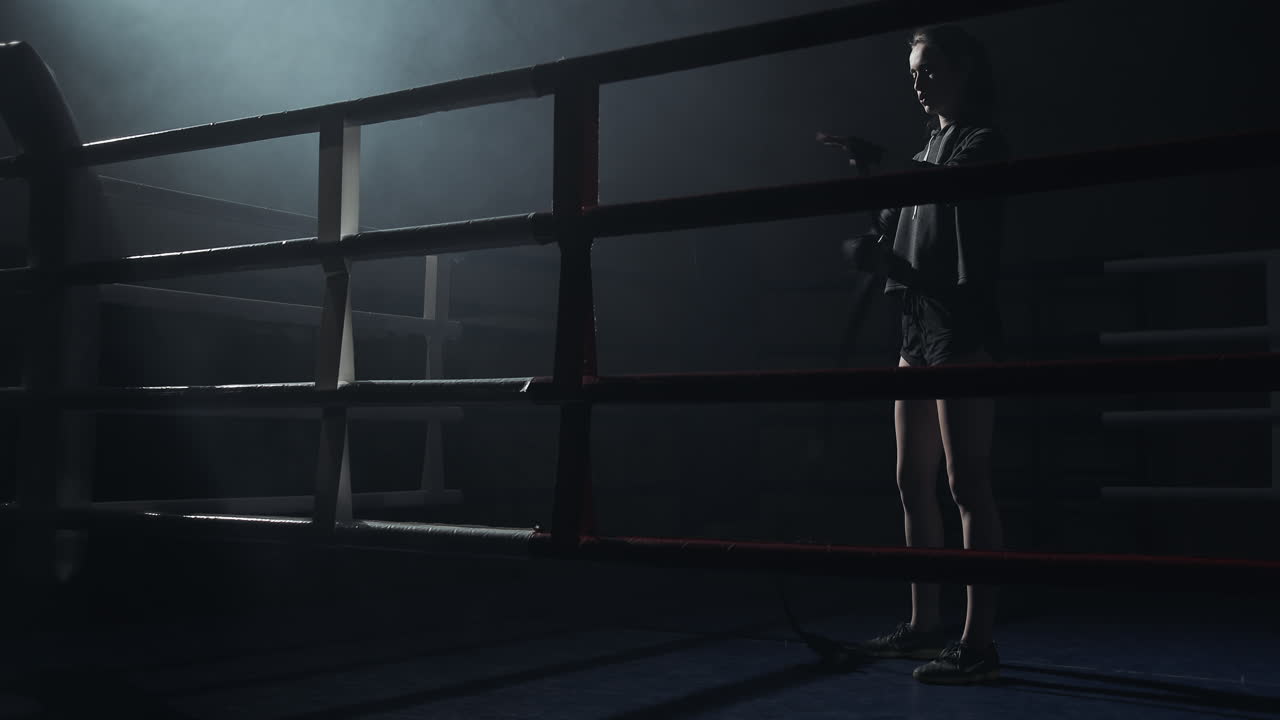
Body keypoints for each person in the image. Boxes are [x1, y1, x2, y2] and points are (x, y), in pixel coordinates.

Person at [822, 24, 1007, 685]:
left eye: (928, 68)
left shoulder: (980, 144)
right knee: (912, 480)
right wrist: (877, 238)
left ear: (962, 69)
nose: (918, 81)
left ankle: (976, 640)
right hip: (916, 329)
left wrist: (884, 182)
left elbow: (953, 229)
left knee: (966, 484)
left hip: (958, 328)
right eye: (913, 71)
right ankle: (925, 623)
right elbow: (912, 233)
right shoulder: (928, 147)